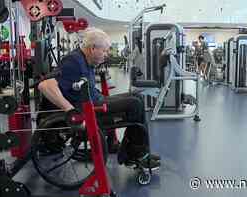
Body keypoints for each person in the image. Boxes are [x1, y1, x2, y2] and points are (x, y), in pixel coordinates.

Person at [37, 27, 160, 170]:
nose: (107, 54)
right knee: (135, 105)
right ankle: (136, 154)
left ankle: (133, 151)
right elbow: (44, 85)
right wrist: (70, 111)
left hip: (95, 101)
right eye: (105, 50)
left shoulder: (86, 60)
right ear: (92, 48)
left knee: (137, 97)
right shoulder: (73, 61)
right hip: (90, 109)